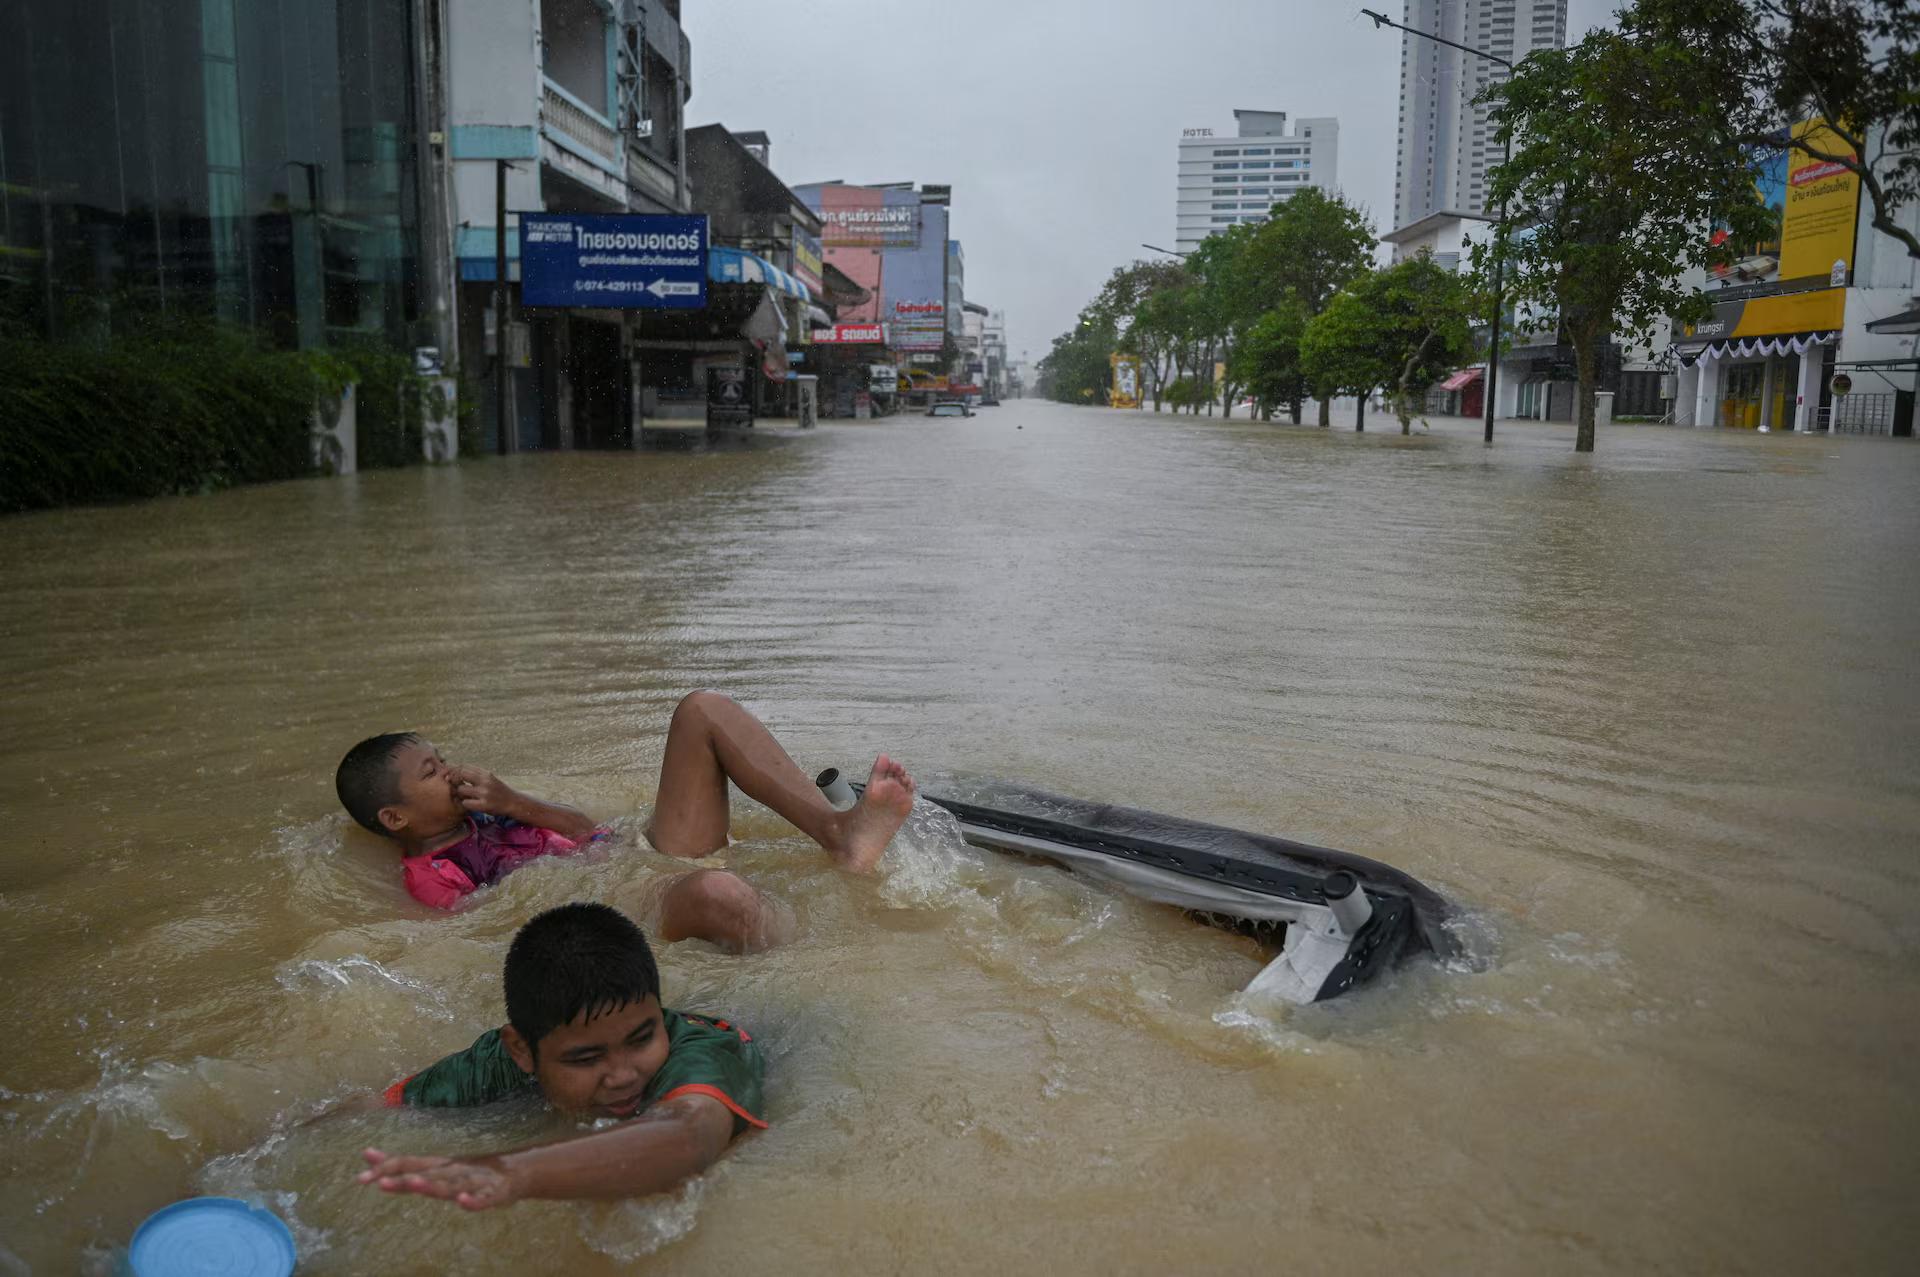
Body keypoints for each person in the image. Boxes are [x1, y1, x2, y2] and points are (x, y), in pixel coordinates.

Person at [334, 690, 917, 950]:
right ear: (395, 816)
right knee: (721, 894)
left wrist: (514, 802)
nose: (451, 770)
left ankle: (838, 833)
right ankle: (841, 953)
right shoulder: (431, 875)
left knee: (701, 711)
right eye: (432, 771)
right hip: (621, 906)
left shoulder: (488, 814)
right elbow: (485, 935)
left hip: (631, 857)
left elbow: (586, 831)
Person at [360, 902, 763, 1209]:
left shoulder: (700, 1053)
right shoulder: (497, 1062)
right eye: (587, 1059)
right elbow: (375, 1109)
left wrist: (514, 1171)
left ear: (658, 1013)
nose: (622, 1075)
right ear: (522, 1050)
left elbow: (689, 1137)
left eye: (642, 1039)